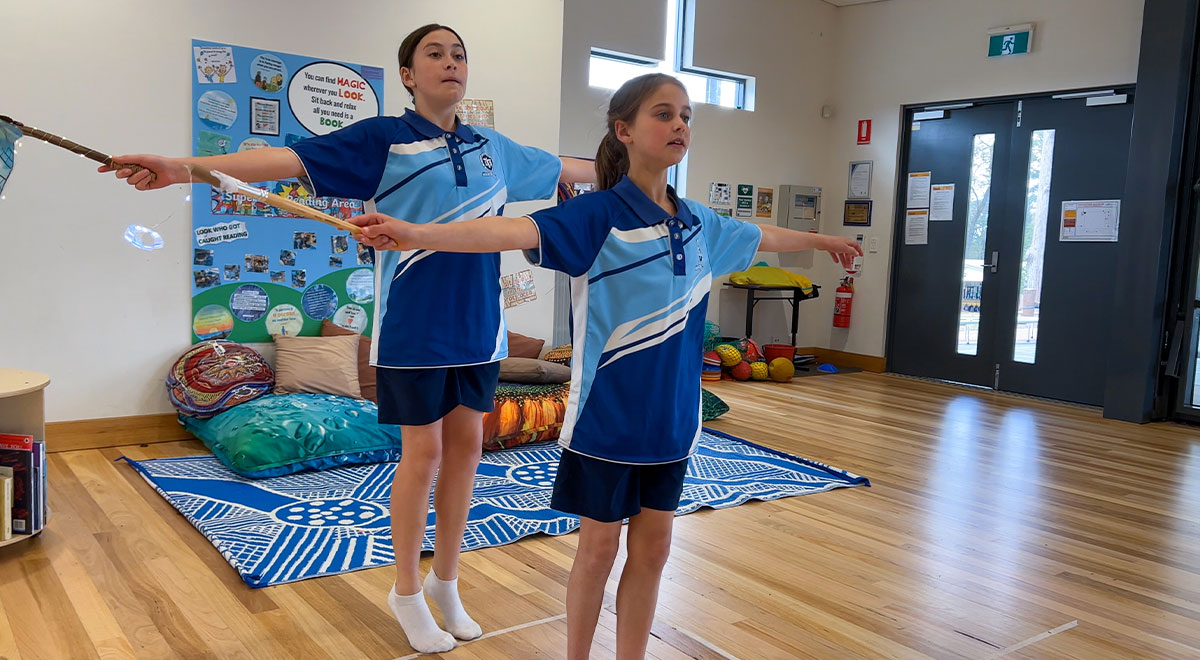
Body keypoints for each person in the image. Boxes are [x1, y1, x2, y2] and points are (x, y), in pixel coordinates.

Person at [101, 24, 594, 654]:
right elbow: (283, 161)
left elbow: (572, 168)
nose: (450, 63)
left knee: (468, 451)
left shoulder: (495, 147)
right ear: (409, 76)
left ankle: (448, 581)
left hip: (482, 328)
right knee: (423, 457)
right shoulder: (383, 140)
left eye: (459, 54)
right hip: (415, 330)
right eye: (434, 55)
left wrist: (634, 168)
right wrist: (183, 168)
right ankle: (407, 591)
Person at [349, 72, 862, 659]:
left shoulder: (698, 222)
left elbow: (759, 236)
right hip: (605, 426)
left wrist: (821, 242)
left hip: (673, 427)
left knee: (654, 554)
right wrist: (415, 232)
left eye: (686, 116)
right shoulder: (596, 215)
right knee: (596, 555)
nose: (680, 126)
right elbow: (508, 229)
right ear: (625, 130)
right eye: (664, 114)